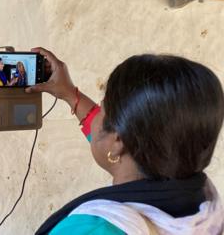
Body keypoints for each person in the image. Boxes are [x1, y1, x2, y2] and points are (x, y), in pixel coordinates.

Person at [26, 47, 224, 234]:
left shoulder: (93, 228)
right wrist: (70, 93)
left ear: (118, 140)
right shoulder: (203, 205)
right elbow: (122, 135)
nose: (96, 116)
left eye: (102, 110)